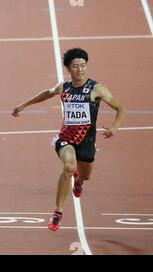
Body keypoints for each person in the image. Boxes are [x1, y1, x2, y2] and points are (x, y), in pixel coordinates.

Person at [12, 48, 125, 231]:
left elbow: (120, 108)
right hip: (66, 138)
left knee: (85, 175)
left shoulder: (97, 89)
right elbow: (47, 93)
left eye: (83, 66)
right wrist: (23, 105)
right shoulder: (64, 88)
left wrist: (114, 127)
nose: (80, 70)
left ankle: (78, 181)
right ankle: (58, 212)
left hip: (87, 143)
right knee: (69, 166)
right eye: (75, 66)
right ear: (68, 68)